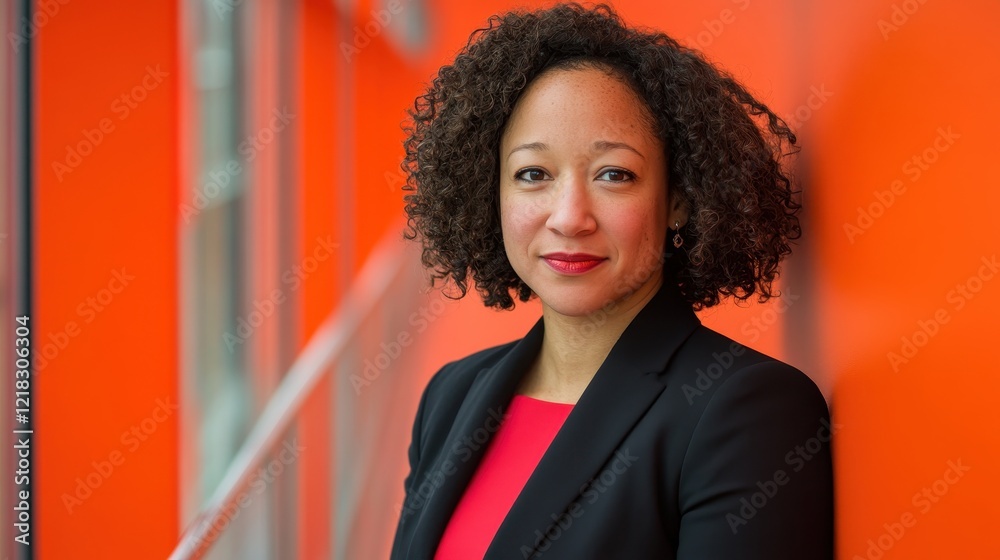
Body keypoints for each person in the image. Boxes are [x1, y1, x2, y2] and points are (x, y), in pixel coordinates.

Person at [390, 4, 834, 559]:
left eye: (614, 175)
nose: (570, 216)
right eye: (534, 174)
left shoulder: (748, 411)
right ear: (491, 193)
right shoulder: (451, 396)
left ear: (677, 201)